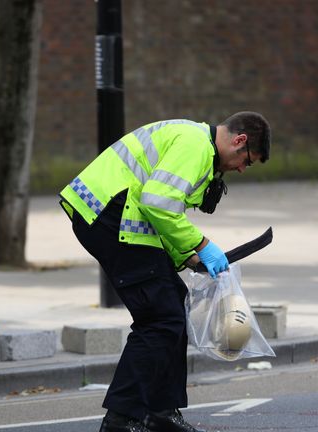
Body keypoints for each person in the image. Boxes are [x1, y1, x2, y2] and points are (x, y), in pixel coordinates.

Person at [59, 112, 271, 432]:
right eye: (247, 161)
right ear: (239, 141)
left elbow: (161, 212)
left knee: (173, 302)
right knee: (159, 318)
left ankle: (160, 412)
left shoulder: (195, 141)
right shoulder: (195, 146)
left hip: (112, 213)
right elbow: (157, 202)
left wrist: (186, 255)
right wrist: (201, 245)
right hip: (109, 215)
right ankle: (122, 418)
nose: (241, 168)